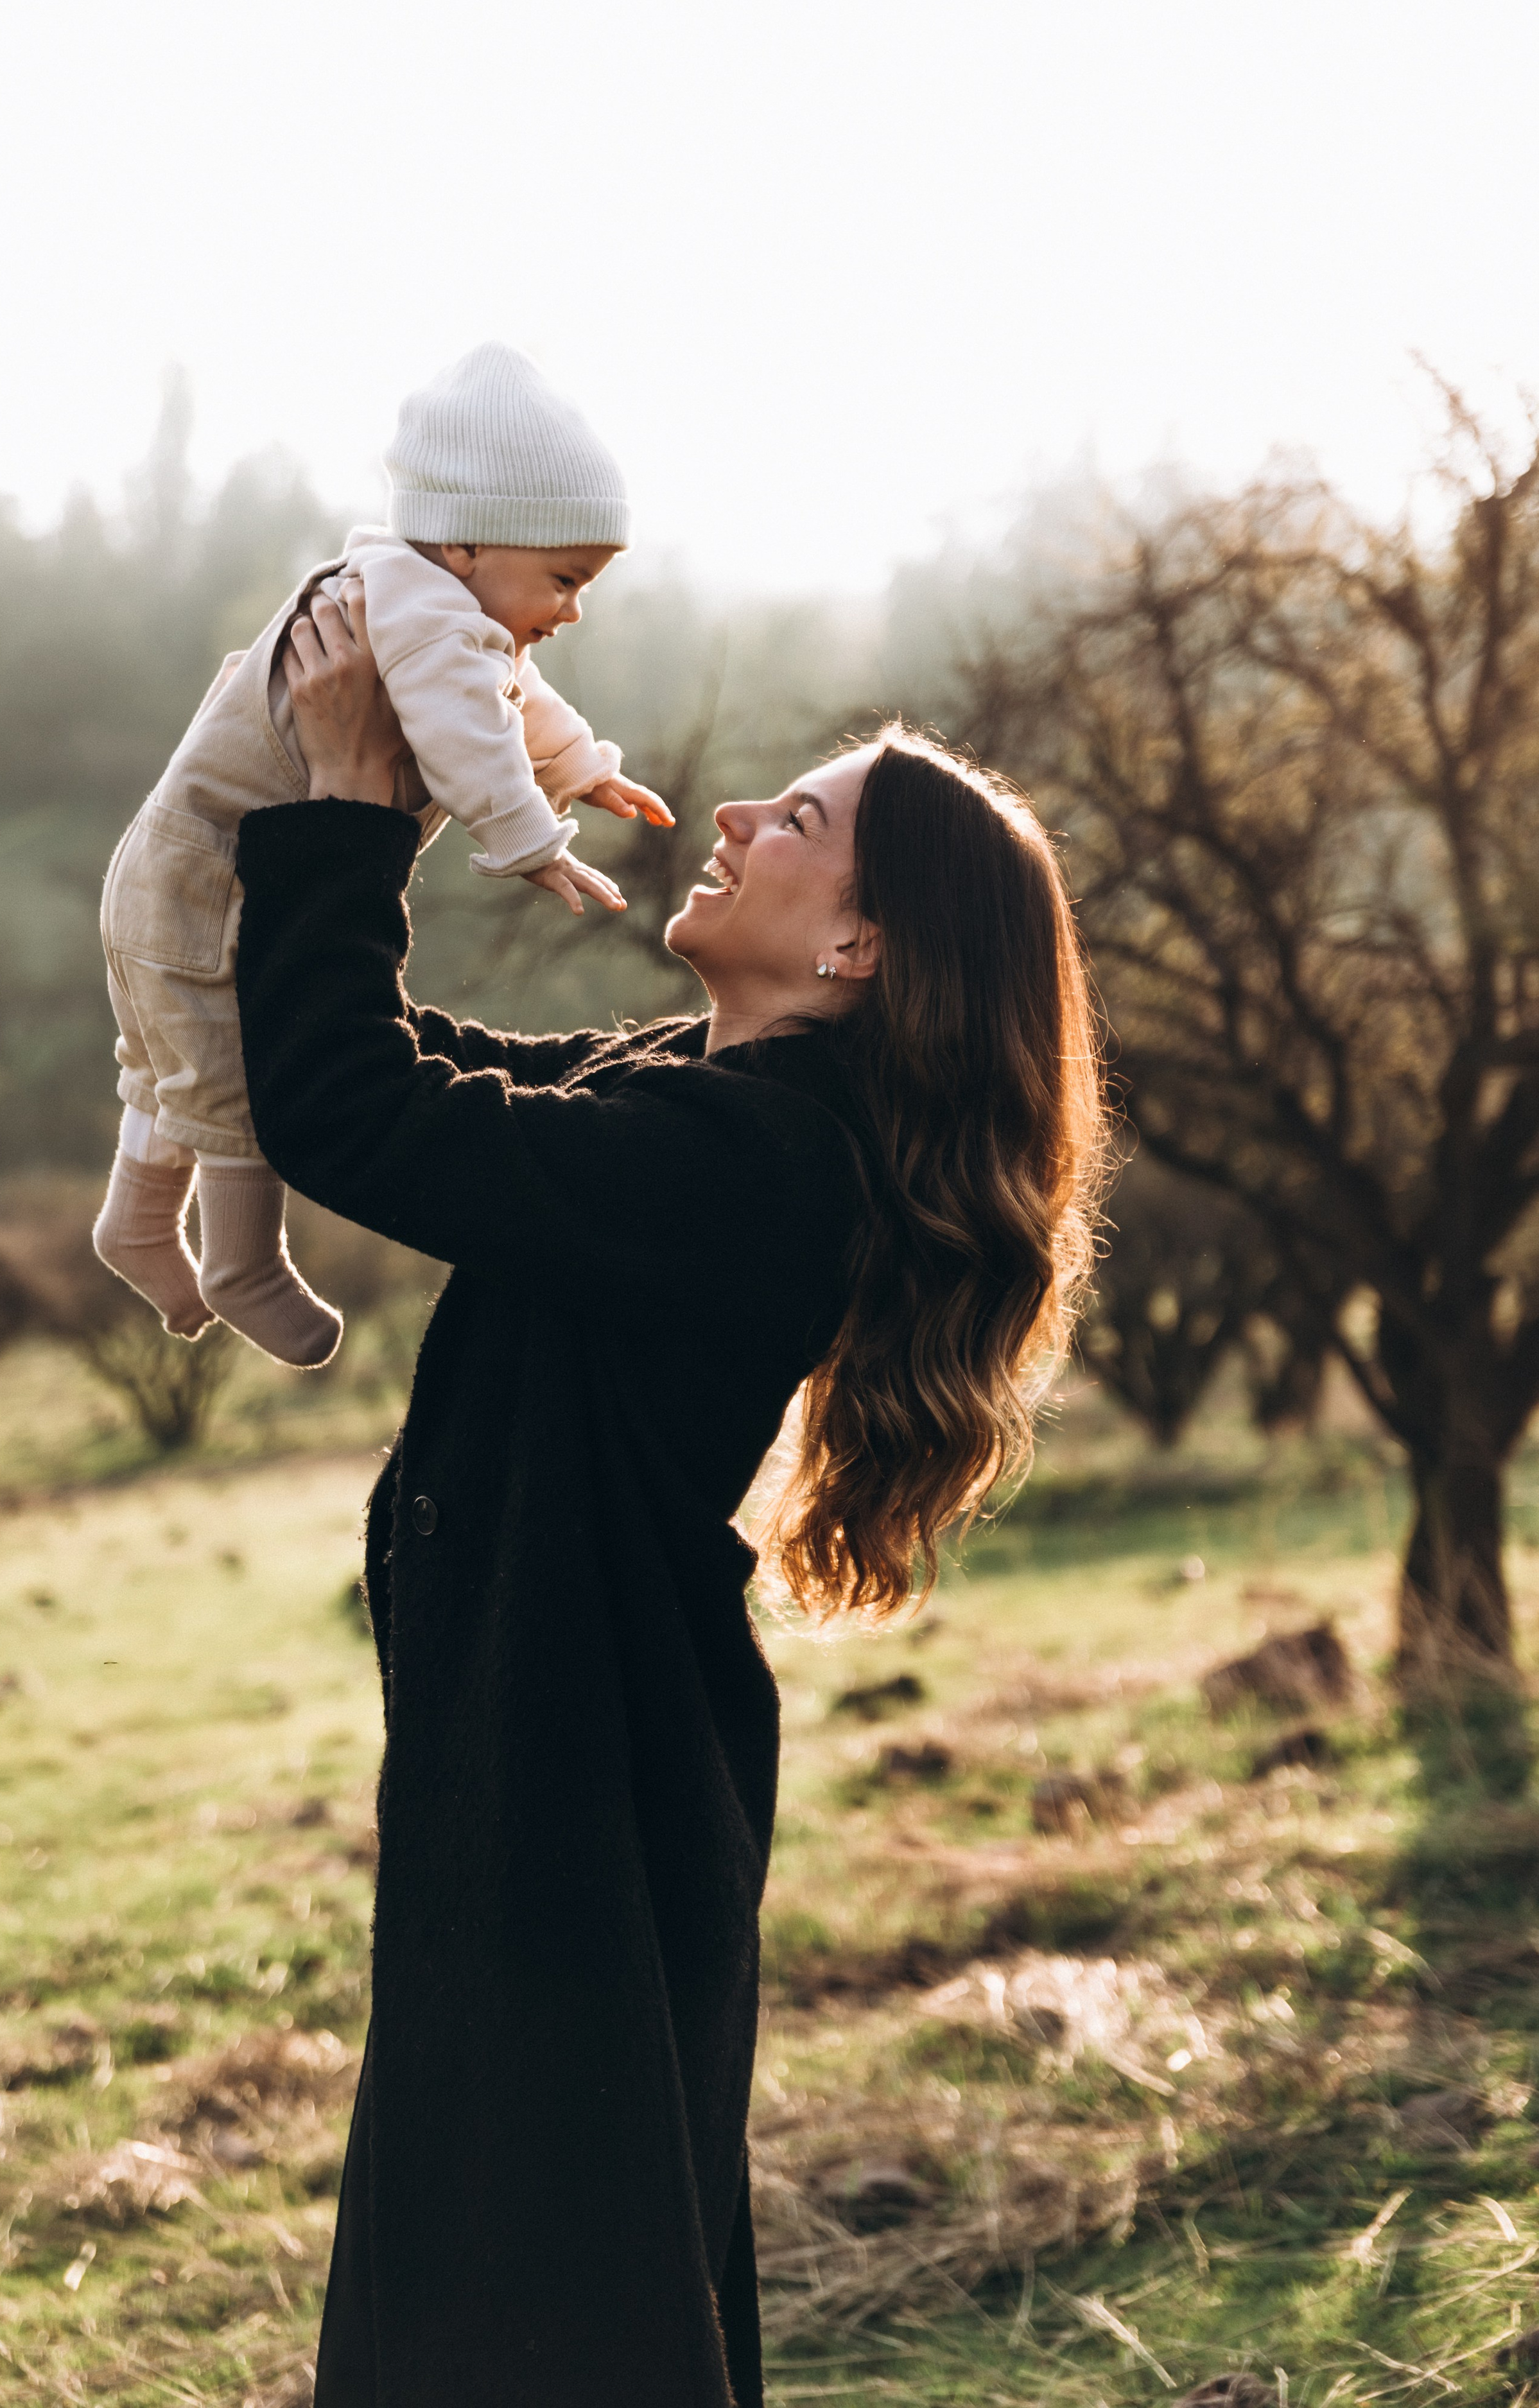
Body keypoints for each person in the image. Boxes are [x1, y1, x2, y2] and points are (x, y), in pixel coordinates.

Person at [231, 587, 1108, 2408]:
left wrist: (338, 810)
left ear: (863, 946)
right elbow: (416, 1075)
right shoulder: (692, 1098)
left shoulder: (761, 1163)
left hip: (581, 1790)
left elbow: (355, 1114)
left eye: (795, 821)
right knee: (527, 2287)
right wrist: (401, 772)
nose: (733, 818)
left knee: (531, 2308)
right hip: (567, 1765)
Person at [92, 344, 668, 1369]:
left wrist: (583, 765)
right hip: (208, 882)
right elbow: (469, 735)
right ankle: (240, 1262)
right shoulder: (429, 617)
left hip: (176, 869)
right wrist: (531, 838)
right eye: (565, 579)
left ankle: (137, 1219)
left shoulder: (423, 596)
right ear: (464, 547)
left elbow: (510, 699)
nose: (574, 610)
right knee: (221, 1065)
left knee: (169, 1050)